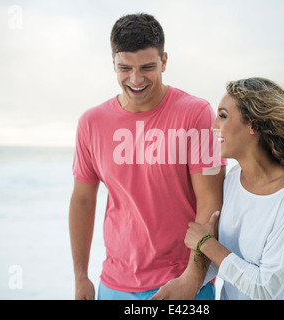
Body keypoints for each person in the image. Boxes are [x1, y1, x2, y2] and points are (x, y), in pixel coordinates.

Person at [69, 13, 226, 300]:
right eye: (125, 68)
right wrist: (81, 276)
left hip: (183, 285)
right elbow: (82, 199)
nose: (136, 79)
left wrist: (192, 278)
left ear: (164, 61)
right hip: (114, 285)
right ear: (113, 63)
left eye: (148, 67)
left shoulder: (197, 113)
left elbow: (211, 201)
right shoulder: (91, 123)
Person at [184, 77, 284, 300]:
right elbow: (230, 261)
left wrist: (206, 244)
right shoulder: (234, 179)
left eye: (223, 116)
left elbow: (267, 290)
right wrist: (186, 281)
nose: (214, 126)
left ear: (255, 125)